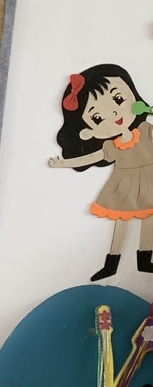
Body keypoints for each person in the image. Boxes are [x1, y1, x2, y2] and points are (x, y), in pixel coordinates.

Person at [49, 64, 153, 281]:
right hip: (125, 187)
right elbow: (91, 157)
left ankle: (145, 261)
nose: (114, 113)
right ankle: (111, 264)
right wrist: (63, 163)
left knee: (149, 220)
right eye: (97, 117)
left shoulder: (146, 131)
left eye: (118, 99)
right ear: (88, 132)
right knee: (121, 222)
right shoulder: (112, 146)